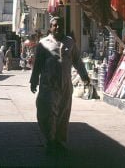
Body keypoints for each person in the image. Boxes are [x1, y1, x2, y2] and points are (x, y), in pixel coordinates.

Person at [30, 16, 90, 156]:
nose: (58, 27)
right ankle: (49, 140)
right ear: (50, 27)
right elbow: (37, 63)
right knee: (48, 112)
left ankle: (58, 140)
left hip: (65, 84)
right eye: (55, 25)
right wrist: (34, 80)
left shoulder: (70, 42)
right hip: (48, 84)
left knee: (63, 112)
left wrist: (84, 76)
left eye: (60, 25)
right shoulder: (43, 43)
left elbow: (77, 61)